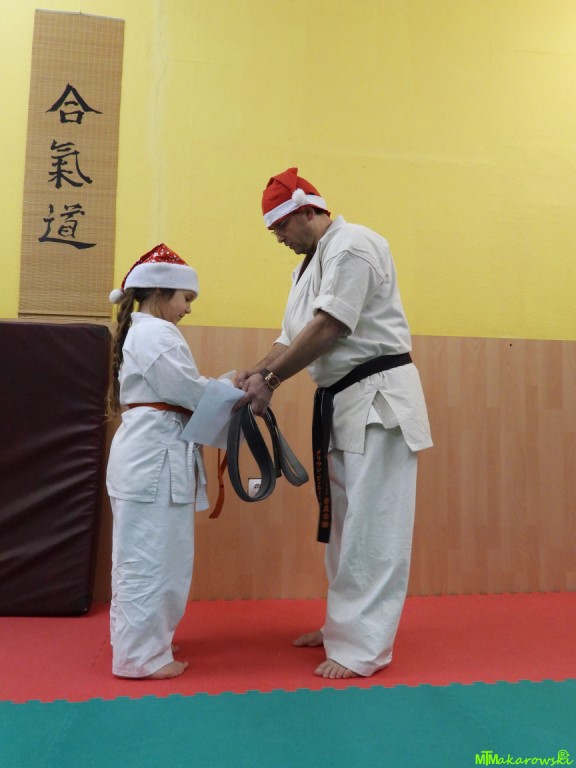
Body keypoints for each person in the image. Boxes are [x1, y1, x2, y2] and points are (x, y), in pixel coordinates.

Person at [235, 168, 433, 679]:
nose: (277, 237)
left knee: (374, 526)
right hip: (343, 402)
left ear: (307, 211)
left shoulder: (354, 245)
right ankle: (343, 626)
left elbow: (330, 326)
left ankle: (363, 648)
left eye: (281, 225)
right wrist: (253, 374)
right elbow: (289, 338)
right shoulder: (306, 268)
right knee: (344, 525)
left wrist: (272, 380)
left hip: (378, 401)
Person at [106, 243, 212, 679]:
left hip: (151, 457)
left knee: (146, 555)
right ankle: (141, 658)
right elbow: (188, 391)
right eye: (186, 298)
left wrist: (224, 387)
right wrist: (237, 390)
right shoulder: (155, 333)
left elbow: (184, 389)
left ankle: (144, 643)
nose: (188, 308)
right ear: (160, 292)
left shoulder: (145, 332)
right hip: (153, 462)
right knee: (152, 558)